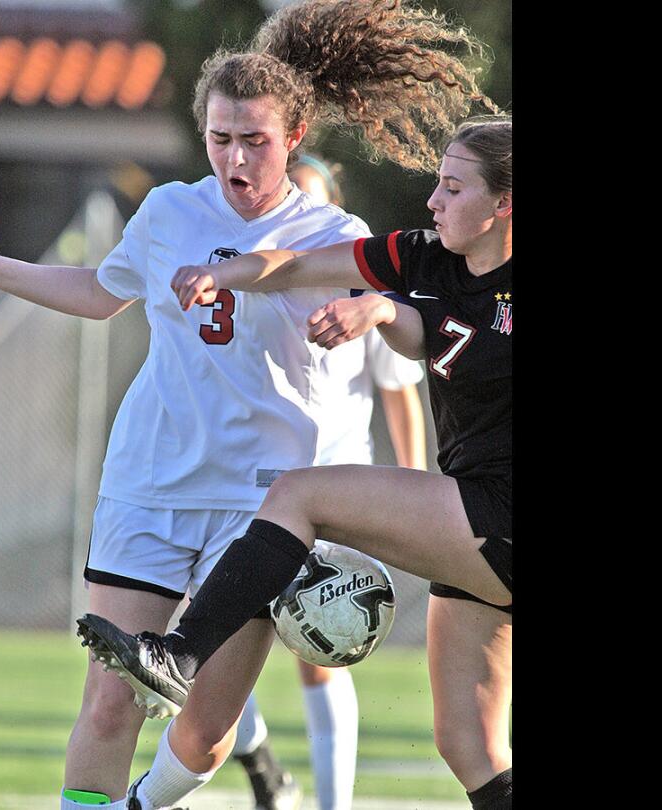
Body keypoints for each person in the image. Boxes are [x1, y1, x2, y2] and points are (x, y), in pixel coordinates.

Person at [0, 2, 485, 807]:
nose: (235, 158)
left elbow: (410, 329)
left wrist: (370, 313)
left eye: (255, 140)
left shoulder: (332, 231)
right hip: (152, 485)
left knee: (206, 731)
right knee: (110, 701)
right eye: (220, 139)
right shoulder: (170, 211)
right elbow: (105, 293)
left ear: (296, 135)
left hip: (262, 513)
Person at [78, 115, 513, 810]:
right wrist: (224, 273)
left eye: (452, 187)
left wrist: (381, 314)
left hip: (501, 513)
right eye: (436, 181)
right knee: (470, 747)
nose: (433, 200)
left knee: (298, 494)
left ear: (504, 204)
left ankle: (180, 656)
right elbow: (297, 265)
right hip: (476, 518)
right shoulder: (429, 256)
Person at [228, 154, 428, 810]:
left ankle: (330, 804)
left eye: (312, 208)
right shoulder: (254, 289)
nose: (300, 227)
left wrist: (417, 490)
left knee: (320, 647)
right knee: (204, 637)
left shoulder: (358, 294)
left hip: (335, 491)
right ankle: (260, 762)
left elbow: (398, 393)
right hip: (247, 487)